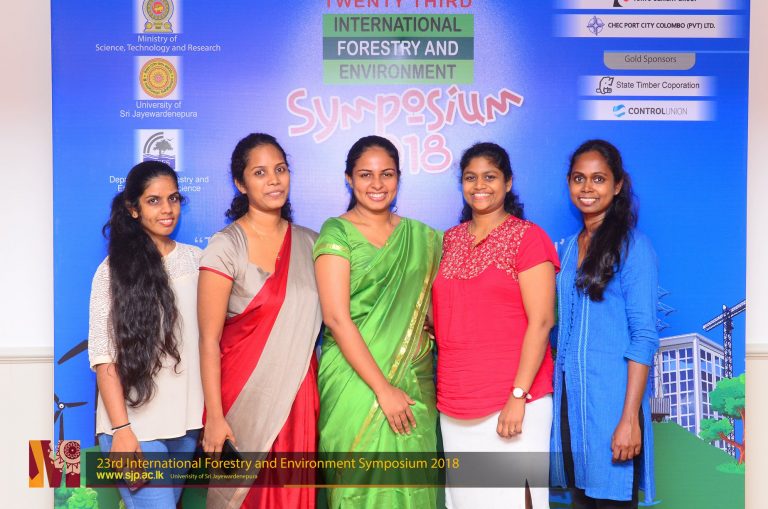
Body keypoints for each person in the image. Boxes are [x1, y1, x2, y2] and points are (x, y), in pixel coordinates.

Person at [313, 135, 442, 509]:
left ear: (399, 177)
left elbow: (434, 308)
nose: (377, 184)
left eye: (387, 174)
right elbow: (336, 318)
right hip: (354, 382)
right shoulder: (337, 232)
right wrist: (383, 389)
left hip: (413, 382)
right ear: (349, 179)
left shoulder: (423, 237)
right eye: (365, 174)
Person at [431, 142, 559, 509]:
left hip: (514, 399)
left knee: (516, 500)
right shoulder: (449, 240)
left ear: (508, 182)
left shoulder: (528, 237)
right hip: (455, 401)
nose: (479, 186)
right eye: (470, 177)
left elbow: (542, 322)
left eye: (490, 177)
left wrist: (518, 396)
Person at [198, 133, 323, 509]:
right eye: (260, 172)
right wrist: (215, 417)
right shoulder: (226, 246)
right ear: (241, 183)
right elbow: (208, 340)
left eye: (280, 169)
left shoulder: (313, 244)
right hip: (241, 401)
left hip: (297, 397)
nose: (273, 180)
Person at [550, 139, 658, 508]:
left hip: (614, 404)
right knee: (581, 500)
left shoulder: (633, 247)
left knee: (612, 498)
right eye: (579, 178)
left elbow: (644, 337)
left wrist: (630, 419)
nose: (587, 187)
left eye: (598, 179)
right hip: (571, 405)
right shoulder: (565, 249)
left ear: (617, 185)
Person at [88, 161, 203, 508]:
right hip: (135, 428)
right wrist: (122, 431)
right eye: (154, 201)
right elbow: (104, 357)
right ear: (133, 208)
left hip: (187, 426)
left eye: (173, 198)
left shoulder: (199, 261)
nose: (167, 209)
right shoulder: (112, 271)